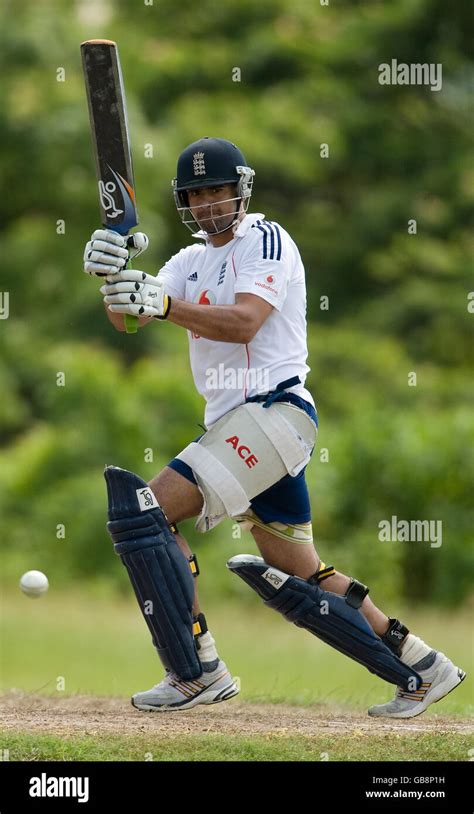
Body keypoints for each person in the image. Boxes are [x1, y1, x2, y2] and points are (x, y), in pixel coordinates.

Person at [84, 137, 465, 717]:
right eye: (197, 193)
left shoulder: (267, 238)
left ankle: (197, 669)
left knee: (146, 511)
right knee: (302, 576)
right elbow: (128, 318)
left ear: (241, 190)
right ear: (184, 201)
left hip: (274, 414)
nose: (209, 203)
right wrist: (113, 269)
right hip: (238, 431)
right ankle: (421, 664)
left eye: (218, 191)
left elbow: (243, 323)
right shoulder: (187, 262)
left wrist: (161, 306)